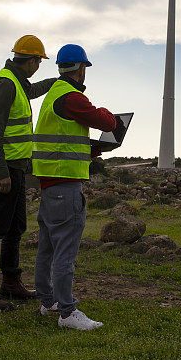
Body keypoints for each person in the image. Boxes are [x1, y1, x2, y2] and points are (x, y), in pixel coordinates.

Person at [32, 44, 116, 330]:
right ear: (81, 68)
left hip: (49, 184)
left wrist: (89, 152)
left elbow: (60, 141)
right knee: (65, 252)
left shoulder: (52, 95)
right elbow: (105, 120)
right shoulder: (72, 97)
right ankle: (67, 313)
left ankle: (48, 301)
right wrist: (109, 114)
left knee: (47, 248)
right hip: (65, 186)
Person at [0, 35, 56, 311]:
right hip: (3, 169)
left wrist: (57, 82)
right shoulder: (6, 84)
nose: (39, 67)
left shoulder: (17, 83)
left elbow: (32, 91)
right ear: (31, 60)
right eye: (39, 62)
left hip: (15, 168)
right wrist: (0, 173)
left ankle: (10, 282)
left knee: (15, 227)